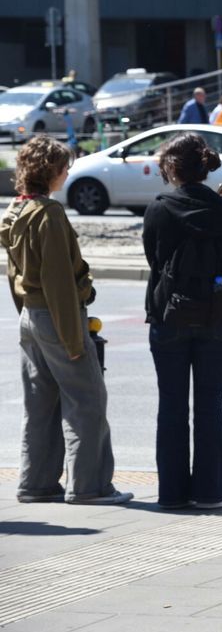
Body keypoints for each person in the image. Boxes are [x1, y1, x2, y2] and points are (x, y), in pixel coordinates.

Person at [2, 137, 132, 505]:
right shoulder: (49, 214)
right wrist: (73, 340)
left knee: (39, 404)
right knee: (86, 399)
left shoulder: (17, 209)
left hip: (30, 315)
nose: (68, 172)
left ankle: (36, 483)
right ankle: (90, 487)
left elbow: (14, 273)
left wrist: (29, 315)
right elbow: (60, 279)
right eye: (64, 166)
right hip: (57, 316)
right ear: (51, 171)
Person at [143, 133, 222, 510]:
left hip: (169, 314)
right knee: (210, 403)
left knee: (170, 404)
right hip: (217, 315)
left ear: (172, 167)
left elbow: (154, 260)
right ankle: (209, 492)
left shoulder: (160, 207)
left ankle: (171, 493)